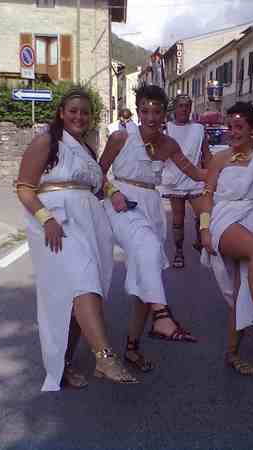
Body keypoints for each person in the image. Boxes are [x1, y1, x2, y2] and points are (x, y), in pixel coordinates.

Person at [16, 87, 138, 391]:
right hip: (58, 223)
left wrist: (114, 192)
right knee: (84, 281)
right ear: (61, 113)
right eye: (73, 111)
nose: (79, 116)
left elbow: (98, 185)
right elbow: (23, 187)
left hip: (90, 223)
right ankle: (105, 357)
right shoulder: (46, 142)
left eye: (84, 112)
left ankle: (65, 362)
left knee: (81, 294)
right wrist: (47, 220)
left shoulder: (85, 149)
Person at [99, 85, 206, 372]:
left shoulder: (169, 144)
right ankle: (164, 315)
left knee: (146, 275)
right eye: (144, 111)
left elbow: (196, 173)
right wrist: (112, 193)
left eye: (156, 112)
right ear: (137, 111)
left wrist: (231, 167)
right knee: (147, 251)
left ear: (164, 115)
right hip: (121, 200)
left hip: (152, 207)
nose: (150, 117)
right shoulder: (120, 137)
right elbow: (98, 172)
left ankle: (133, 346)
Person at [200, 101, 253, 375]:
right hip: (224, 219)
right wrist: (204, 230)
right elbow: (207, 195)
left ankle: (232, 353)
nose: (233, 132)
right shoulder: (220, 158)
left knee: (242, 289)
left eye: (239, 127)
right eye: (230, 127)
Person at [159, 95, 212, 268]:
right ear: (175, 108)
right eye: (181, 106)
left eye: (188, 106)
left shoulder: (199, 129)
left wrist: (213, 173)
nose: (184, 109)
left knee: (203, 215)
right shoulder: (166, 128)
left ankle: (200, 240)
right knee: (178, 219)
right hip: (174, 181)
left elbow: (206, 155)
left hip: (195, 179)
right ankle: (179, 252)